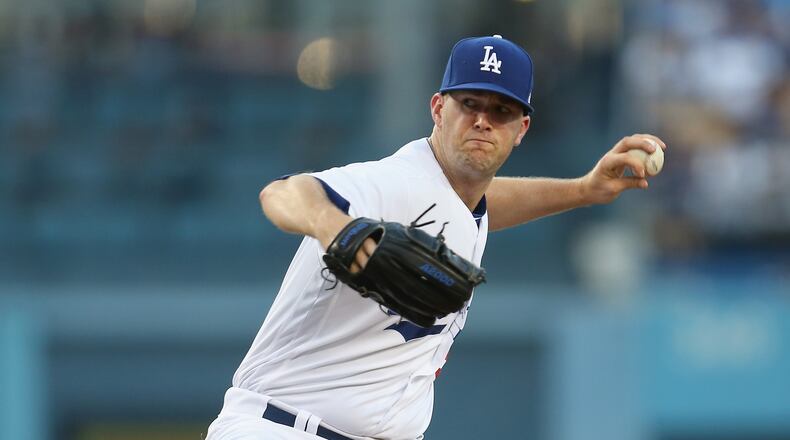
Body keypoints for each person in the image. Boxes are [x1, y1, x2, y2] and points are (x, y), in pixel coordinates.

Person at [205, 34, 665, 440]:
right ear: (438, 108)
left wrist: (584, 190)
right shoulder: (394, 183)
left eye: (501, 110)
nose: (483, 120)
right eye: (470, 104)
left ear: (521, 129)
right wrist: (338, 229)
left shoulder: (459, 199)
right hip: (285, 427)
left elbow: (483, 206)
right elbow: (284, 192)